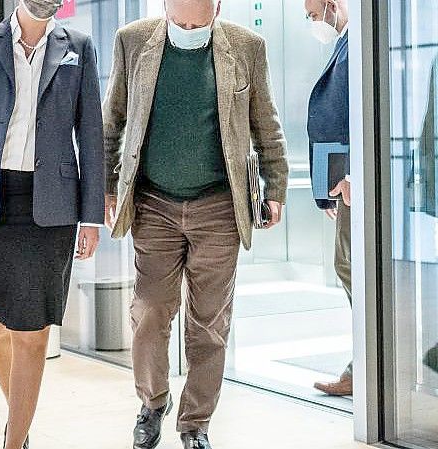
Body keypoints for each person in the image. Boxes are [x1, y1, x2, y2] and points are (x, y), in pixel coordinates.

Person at [102, 0, 289, 447]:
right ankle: (152, 402)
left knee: (210, 322)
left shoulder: (247, 47)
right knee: (150, 311)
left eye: (198, 22)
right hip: (155, 204)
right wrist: (106, 185)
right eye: (180, 21)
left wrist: (276, 187)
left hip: (219, 206)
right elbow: (113, 120)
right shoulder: (133, 42)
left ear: (218, 8)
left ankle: (196, 424)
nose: (188, 29)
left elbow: (267, 124)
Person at [0, 0, 105, 446]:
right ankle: (22, 426)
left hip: (50, 208)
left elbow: (90, 135)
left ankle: (14, 440)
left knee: (32, 329)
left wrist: (91, 219)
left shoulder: (78, 48)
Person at [304, 0, 353, 397]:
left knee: (353, 269)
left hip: (355, 185)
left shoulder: (360, 46)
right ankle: (364, 362)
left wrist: (354, 175)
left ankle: (366, 365)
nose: (312, 22)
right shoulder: (344, 45)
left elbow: (363, 116)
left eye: (313, 14)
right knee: (347, 267)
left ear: (332, 6)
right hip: (341, 184)